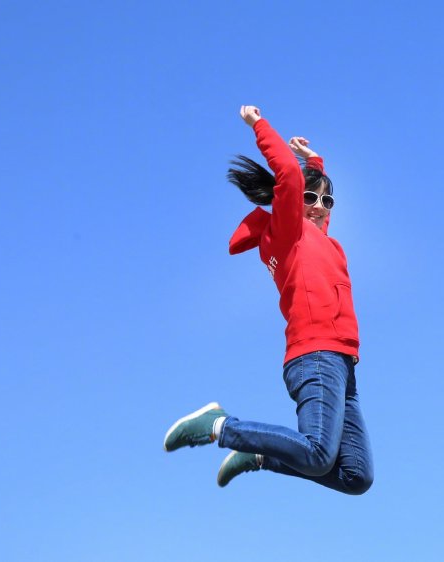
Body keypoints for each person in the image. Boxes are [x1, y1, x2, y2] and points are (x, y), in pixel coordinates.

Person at [163, 105, 373, 494]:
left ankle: (258, 453)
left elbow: (314, 203)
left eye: (329, 202)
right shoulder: (288, 232)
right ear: (291, 202)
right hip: (316, 355)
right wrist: (259, 125)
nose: (320, 208)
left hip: (343, 365)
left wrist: (316, 162)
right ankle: (221, 427)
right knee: (316, 454)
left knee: (355, 475)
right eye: (311, 198)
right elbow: (291, 180)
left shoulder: (319, 237)